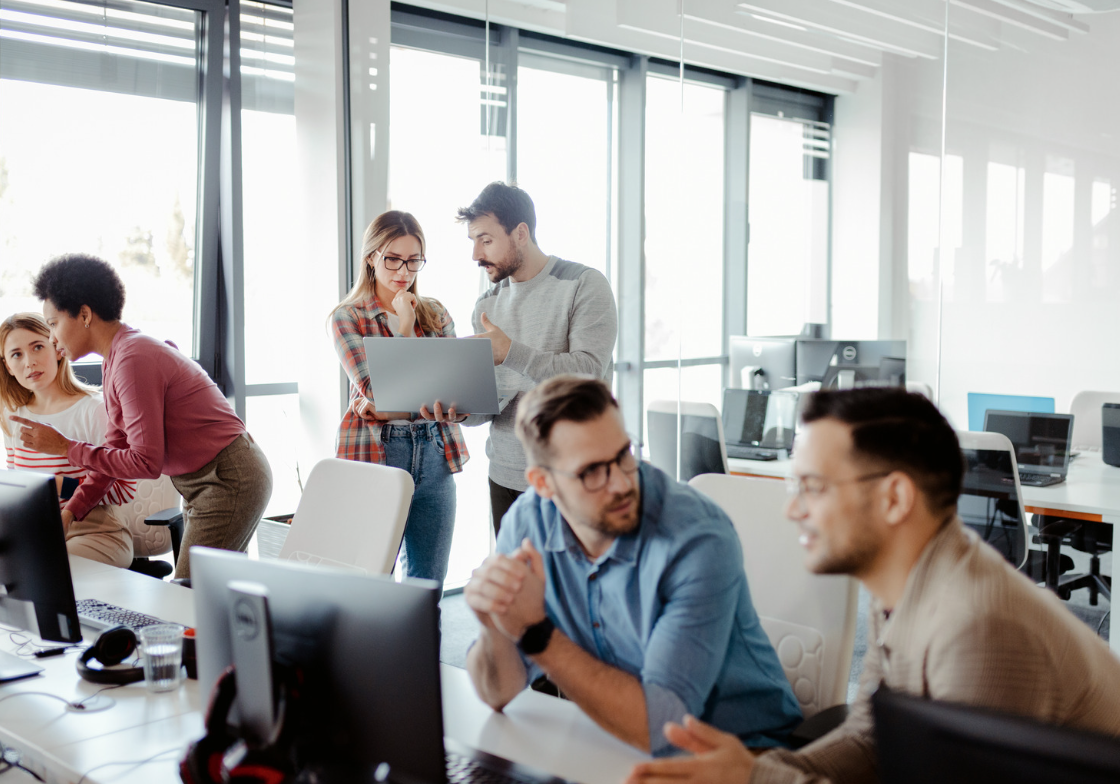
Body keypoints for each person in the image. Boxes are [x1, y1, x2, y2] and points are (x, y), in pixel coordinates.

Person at [625, 388, 1120, 784]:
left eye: (813, 487)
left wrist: (756, 777)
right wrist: (748, 772)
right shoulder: (905, 588)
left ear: (894, 498)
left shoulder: (979, 628)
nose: (791, 509)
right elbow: (868, 741)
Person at [464, 375, 802, 757]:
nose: (622, 484)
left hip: (741, 755)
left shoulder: (696, 539)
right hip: (612, 741)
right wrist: (493, 624)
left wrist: (535, 631)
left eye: (624, 455)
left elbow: (663, 729)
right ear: (543, 483)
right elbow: (498, 693)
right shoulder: (529, 523)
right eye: (592, 471)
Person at [10, 254, 273, 579]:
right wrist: (73, 510)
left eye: (53, 323)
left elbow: (145, 463)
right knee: (206, 598)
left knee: (186, 596)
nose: (52, 338)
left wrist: (67, 448)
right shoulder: (117, 360)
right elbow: (114, 450)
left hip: (228, 478)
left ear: (85, 314)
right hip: (204, 482)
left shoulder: (133, 360)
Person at [456, 182, 617, 536]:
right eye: (472, 242)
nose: (475, 255)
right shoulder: (486, 304)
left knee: (568, 590)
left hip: (571, 476)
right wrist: (461, 411)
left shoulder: (584, 284)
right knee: (517, 589)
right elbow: (494, 400)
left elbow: (588, 374)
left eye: (485, 240)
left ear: (520, 233)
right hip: (504, 474)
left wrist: (510, 352)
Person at [328, 210, 469, 584]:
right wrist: (405, 330)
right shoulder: (348, 318)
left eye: (413, 260)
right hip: (379, 454)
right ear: (371, 257)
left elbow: (453, 389)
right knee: (372, 586)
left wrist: (385, 407)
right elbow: (379, 389)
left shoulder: (436, 313)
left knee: (427, 590)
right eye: (393, 258)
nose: (403, 271)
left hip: (436, 452)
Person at [0, 313, 135, 567]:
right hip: (39, 532)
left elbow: (125, 488)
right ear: (7, 367)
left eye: (37, 347)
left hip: (94, 531)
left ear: (57, 348)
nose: (30, 362)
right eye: (17, 354)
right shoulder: (13, 416)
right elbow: (18, 487)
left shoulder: (93, 410)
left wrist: (59, 486)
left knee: (47, 567)